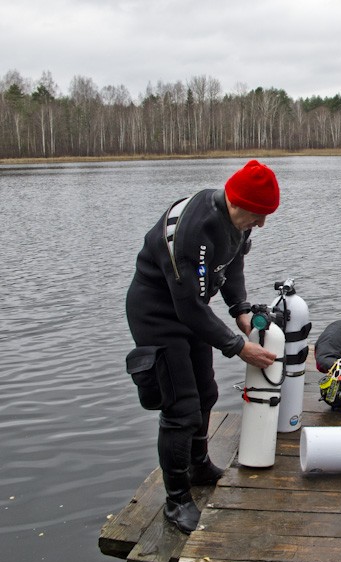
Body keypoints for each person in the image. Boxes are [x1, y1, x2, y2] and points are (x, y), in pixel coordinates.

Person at [125, 160, 280, 533]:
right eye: (258, 216)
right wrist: (238, 347)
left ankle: (198, 464)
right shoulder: (194, 230)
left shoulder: (236, 222)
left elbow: (232, 264)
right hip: (158, 316)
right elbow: (190, 308)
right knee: (181, 407)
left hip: (190, 310)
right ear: (237, 201)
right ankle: (176, 500)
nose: (261, 224)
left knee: (206, 392)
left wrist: (240, 309)